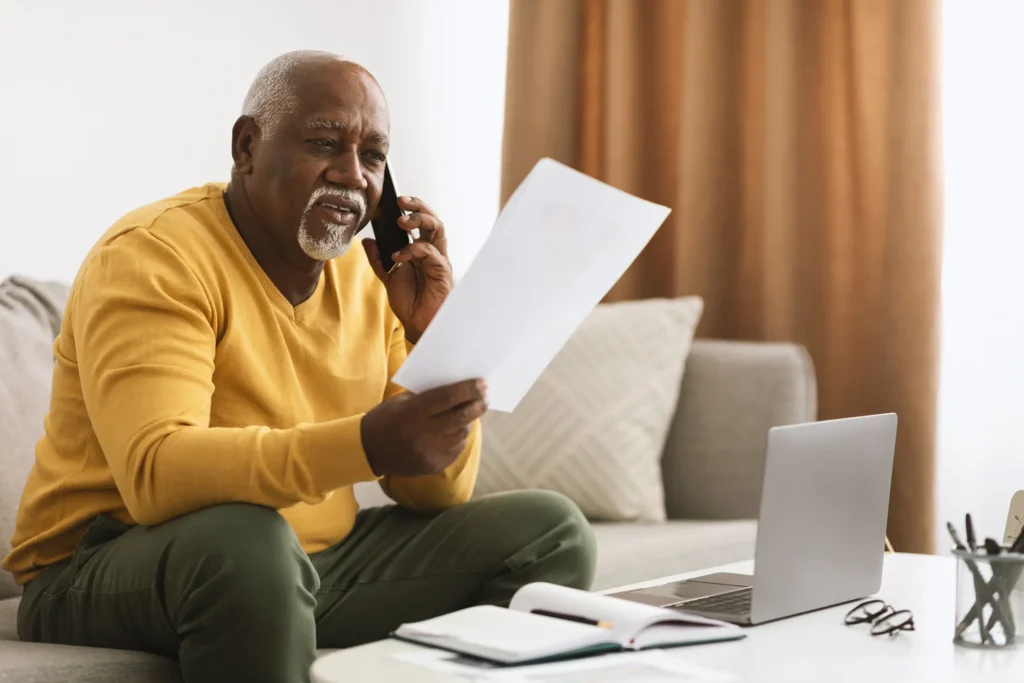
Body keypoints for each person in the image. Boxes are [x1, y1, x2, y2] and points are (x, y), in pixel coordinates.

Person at [3, 50, 596, 683]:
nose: (352, 174)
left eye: (372, 156)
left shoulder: (373, 276)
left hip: (302, 561)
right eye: (323, 143)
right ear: (247, 146)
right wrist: (366, 444)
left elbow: (435, 491)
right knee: (246, 547)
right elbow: (157, 475)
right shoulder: (156, 256)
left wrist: (432, 337)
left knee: (550, 531)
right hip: (102, 564)